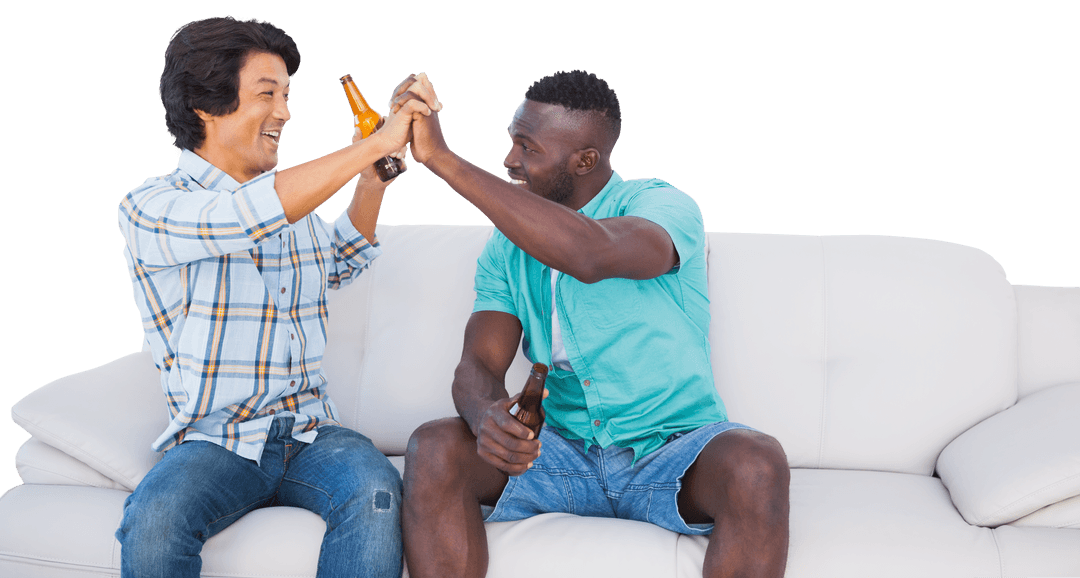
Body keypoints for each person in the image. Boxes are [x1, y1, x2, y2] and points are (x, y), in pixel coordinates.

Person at [398, 69, 791, 578]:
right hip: (560, 453)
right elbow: (478, 363)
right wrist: (485, 417)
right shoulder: (505, 250)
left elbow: (590, 254)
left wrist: (443, 161)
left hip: (672, 451)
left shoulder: (660, 205)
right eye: (511, 142)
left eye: (528, 148)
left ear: (585, 161)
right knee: (434, 447)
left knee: (757, 462)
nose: (510, 160)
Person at [114, 16, 439, 578]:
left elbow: (339, 261)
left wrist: (369, 184)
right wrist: (369, 148)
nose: (286, 113)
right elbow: (241, 218)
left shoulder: (291, 204)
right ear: (205, 104)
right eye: (268, 95)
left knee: (377, 494)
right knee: (155, 518)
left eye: (287, 96)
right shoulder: (153, 207)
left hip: (311, 433)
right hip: (218, 439)